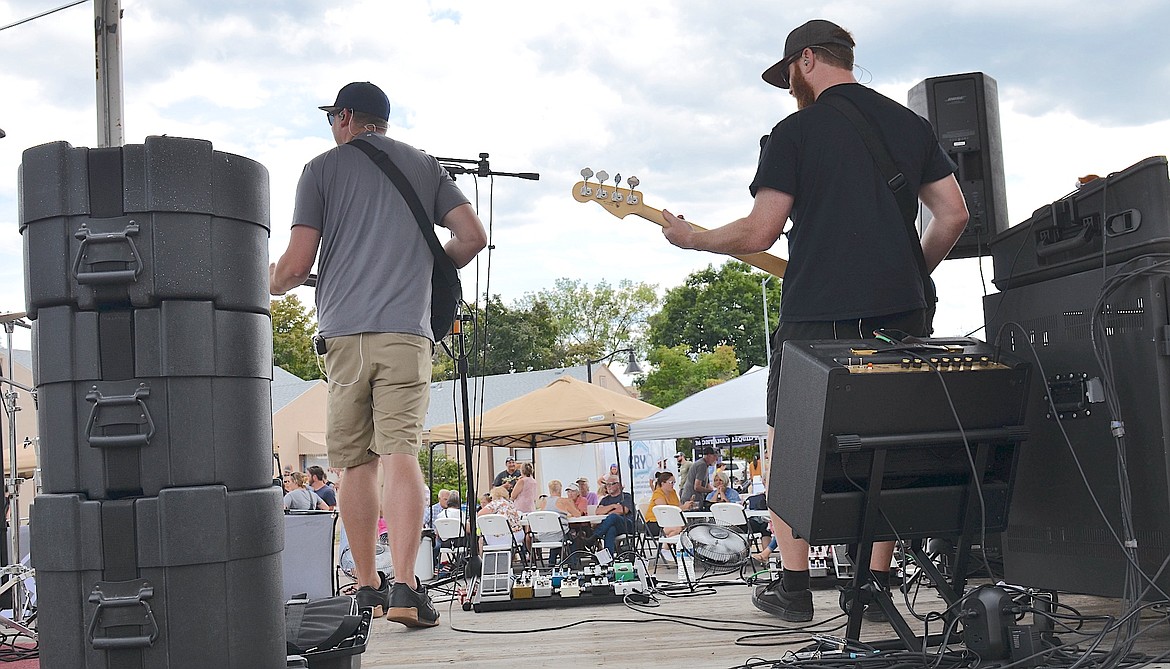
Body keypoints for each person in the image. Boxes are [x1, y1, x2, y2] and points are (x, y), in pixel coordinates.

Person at [659, 20, 968, 623]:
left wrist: (692, 237)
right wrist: (909, 274)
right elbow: (953, 214)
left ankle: (794, 584)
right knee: (889, 447)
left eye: (789, 77)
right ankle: (874, 588)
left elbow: (760, 231)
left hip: (817, 321)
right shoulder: (910, 125)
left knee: (794, 444)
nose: (790, 89)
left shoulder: (795, 132)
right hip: (901, 319)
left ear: (805, 60)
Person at [269, 81, 488, 629]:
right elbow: (473, 237)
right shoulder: (425, 167)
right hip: (405, 335)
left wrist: (273, 284)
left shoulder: (320, 170)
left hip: (343, 335)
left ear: (344, 118)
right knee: (400, 454)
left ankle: (366, 586)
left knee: (352, 463)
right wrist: (430, 267)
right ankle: (407, 589)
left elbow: (296, 265)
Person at [588, 475, 634, 555]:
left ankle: (595, 537)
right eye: (607, 485)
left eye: (611, 484)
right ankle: (608, 558)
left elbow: (623, 510)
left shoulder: (626, 496)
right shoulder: (605, 499)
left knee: (613, 517)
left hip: (626, 525)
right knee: (611, 529)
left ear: (619, 485)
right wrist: (613, 506)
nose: (608, 487)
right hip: (613, 527)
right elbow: (598, 511)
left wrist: (607, 512)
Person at [644, 471, 683, 538]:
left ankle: (664, 547)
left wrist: (687, 506)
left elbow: (679, 506)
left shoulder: (673, 492)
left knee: (683, 528)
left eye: (674, 482)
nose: (673, 484)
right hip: (654, 523)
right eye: (671, 482)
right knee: (678, 528)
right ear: (663, 483)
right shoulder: (658, 494)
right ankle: (665, 547)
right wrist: (683, 508)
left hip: (669, 522)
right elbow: (665, 510)